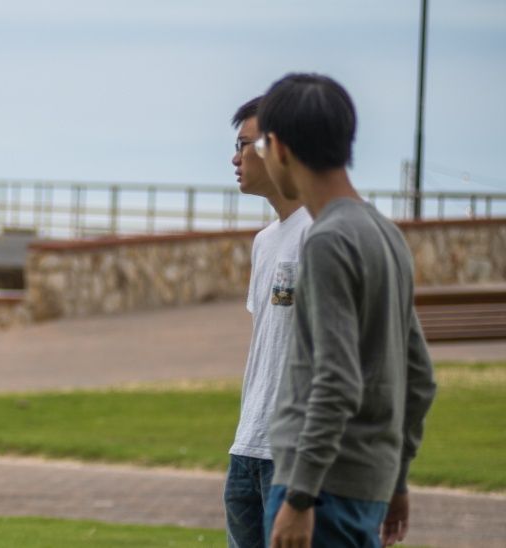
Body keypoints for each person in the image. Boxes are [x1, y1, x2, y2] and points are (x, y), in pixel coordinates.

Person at [254, 73, 436, 548]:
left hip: (319, 497)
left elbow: (335, 379)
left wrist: (299, 498)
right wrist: (395, 479)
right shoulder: (386, 234)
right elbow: (419, 377)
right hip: (367, 488)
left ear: (280, 148)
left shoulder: (328, 241)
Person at [223, 95, 311, 548]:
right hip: (247, 450)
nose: (235, 159)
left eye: (244, 145)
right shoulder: (265, 242)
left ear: (279, 148)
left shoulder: (322, 235)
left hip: (294, 459)